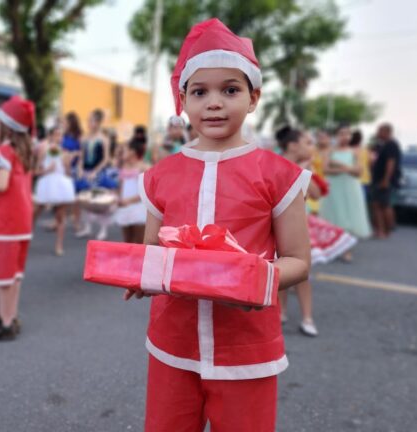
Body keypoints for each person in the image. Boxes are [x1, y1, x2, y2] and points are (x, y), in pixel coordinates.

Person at [130, 19, 311, 432]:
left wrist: (260, 279)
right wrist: (137, 276)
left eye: (230, 89)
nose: (214, 103)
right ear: (183, 101)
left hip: (247, 349)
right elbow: (151, 254)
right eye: (200, 92)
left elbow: (299, 261)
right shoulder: (159, 175)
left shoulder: (279, 175)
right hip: (171, 342)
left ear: (253, 97)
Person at [276, 126, 357, 337]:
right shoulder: (273, 163)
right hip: (273, 225)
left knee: (301, 273)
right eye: (307, 143)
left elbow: (316, 194)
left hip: (297, 226)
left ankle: (307, 317)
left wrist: (304, 172)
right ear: (293, 145)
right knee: (278, 272)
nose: (311, 147)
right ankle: (281, 312)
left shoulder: (305, 167)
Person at [0, 96, 35, 341]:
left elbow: (1, 184)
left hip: (5, 221)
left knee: (4, 277)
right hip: (23, 220)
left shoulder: (4, 150)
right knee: (15, 275)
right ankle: (10, 316)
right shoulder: (26, 150)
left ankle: (5, 322)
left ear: (6, 124)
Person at [319, 125, 372, 244]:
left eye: (348, 134)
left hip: (351, 187)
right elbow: (326, 170)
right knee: (334, 214)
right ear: (336, 136)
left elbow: (358, 172)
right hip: (334, 187)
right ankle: (333, 245)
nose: (345, 137)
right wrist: (347, 169)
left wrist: (339, 165)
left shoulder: (355, 151)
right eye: (342, 134)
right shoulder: (329, 151)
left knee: (349, 215)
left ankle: (346, 247)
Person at [33, 126, 75, 256]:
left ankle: (59, 245)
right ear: (50, 136)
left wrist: (67, 164)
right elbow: (35, 171)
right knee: (36, 212)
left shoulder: (65, 152)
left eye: (61, 135)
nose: (59, 138)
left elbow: (67, 173)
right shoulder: (44, 150)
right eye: (57, 134)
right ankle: (26, 236)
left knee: (60, 216)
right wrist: (47, 170)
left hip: (61, 185)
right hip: (46, 184)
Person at [75, 109, 114, 240]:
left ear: (97, 122)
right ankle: (87, 227)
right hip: (85, 172)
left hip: (98, 173)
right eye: (88, 120)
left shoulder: (104, 139)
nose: (88, 122)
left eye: (90, 120)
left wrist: (95, 171)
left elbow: (106, 159)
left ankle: (103, 229)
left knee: (100, 201)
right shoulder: (84, 138)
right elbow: (81, 156)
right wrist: (80, 168)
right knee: (85, 200)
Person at [114, 126, 149, 244]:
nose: (121, 152)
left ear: (133, 152)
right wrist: (118, 198)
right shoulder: (123, 167)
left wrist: (129, 200)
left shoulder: (143, 167)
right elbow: (121, 186)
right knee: (127, 241)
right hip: (124, 206)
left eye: (124, 150)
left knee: (139, 241)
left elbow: (146, 191)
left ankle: (139, 262)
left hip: (138, 207)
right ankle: (129, 262)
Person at [370, 123, 402, 239]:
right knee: (377, 205)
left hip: (384, 180)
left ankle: (384, 230)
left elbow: (391, 163)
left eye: (380, 131)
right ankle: (381, 230)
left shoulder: (391, 145)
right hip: (378, 179)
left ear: (387, 132)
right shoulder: (381, 145)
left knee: (382, 205)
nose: (377, 133)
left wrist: (386, 180)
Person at [62, 112, 83, 231]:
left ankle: (76, 222)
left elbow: (81, 153)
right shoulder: (63, 136)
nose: (64, 123)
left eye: (66, 121)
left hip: (74, 168)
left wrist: (79, 166)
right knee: (64, 196)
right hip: (64, 168)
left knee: (76, 198)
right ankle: (60, 220)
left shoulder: (77, 136)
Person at [350, 129, 371, 199]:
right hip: (365, 179)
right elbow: (369, 163)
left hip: (353, 179)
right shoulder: (365, 149)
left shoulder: (349, 150)